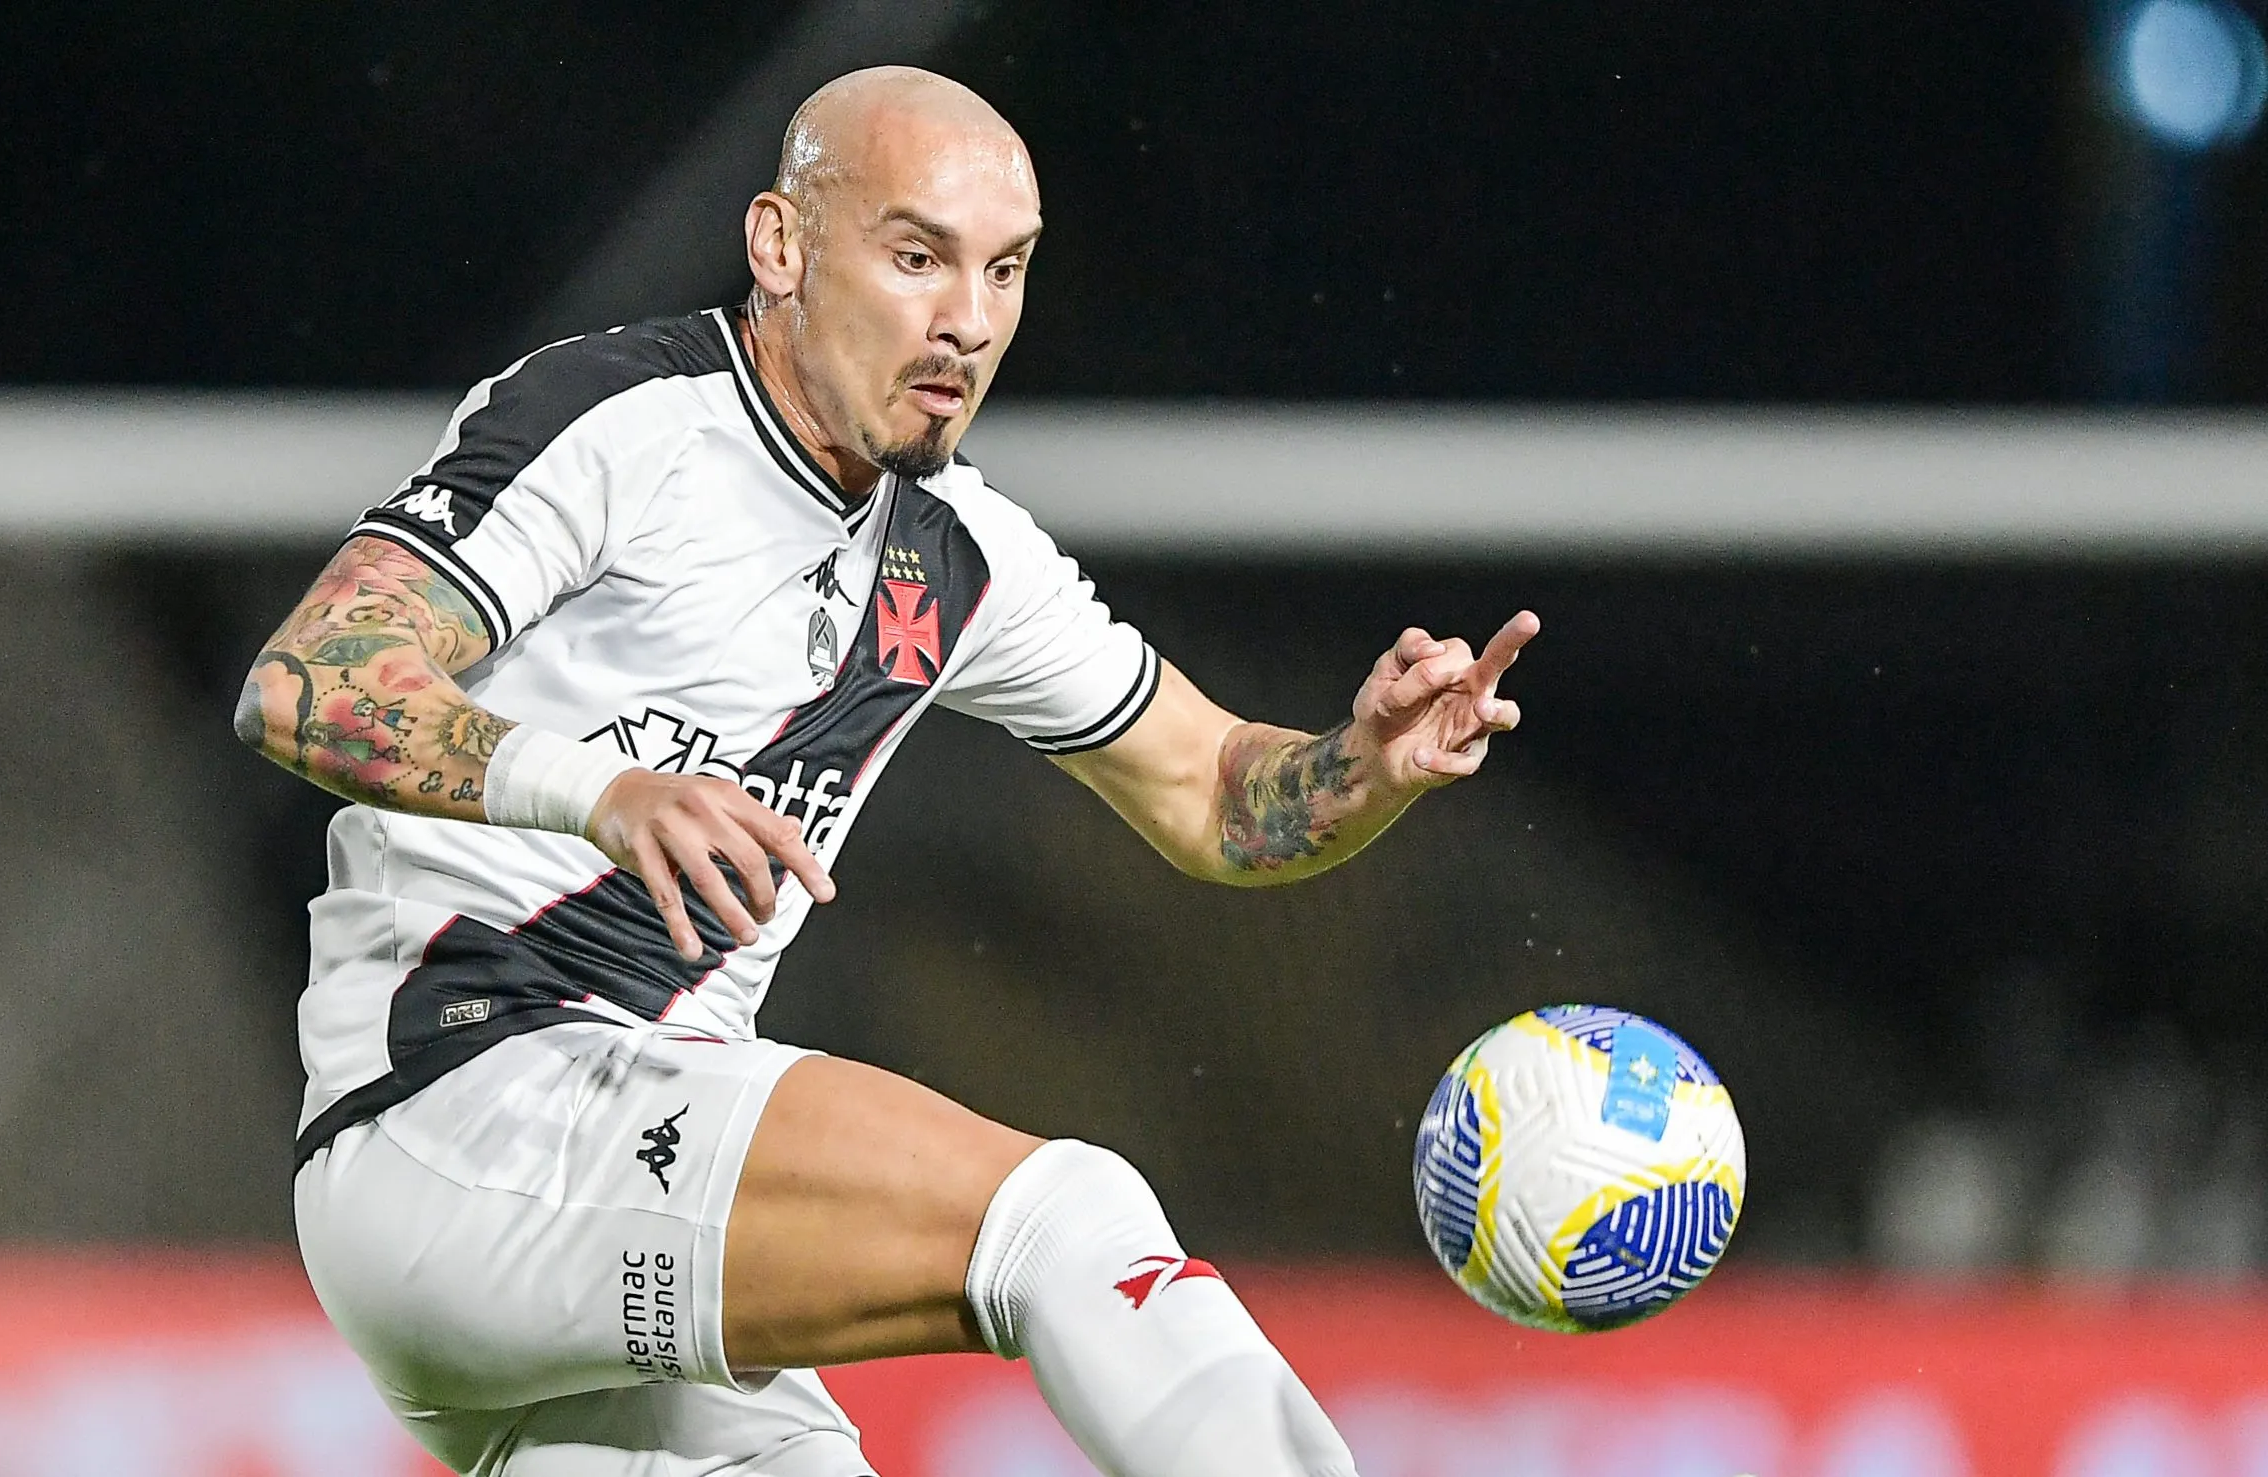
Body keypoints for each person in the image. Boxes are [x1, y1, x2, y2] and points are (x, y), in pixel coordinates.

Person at [237, 64, 1536, 1477]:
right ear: (782, 246)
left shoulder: (960, 557)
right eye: (916, 257)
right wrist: (596, 790)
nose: (967, 323)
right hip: (464, 1102)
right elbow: (309, 684)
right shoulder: (623, 423)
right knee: (1058, 1220)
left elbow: (1218, 797)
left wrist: (1363, 764)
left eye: (1005, 271)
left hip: (600, 1214)